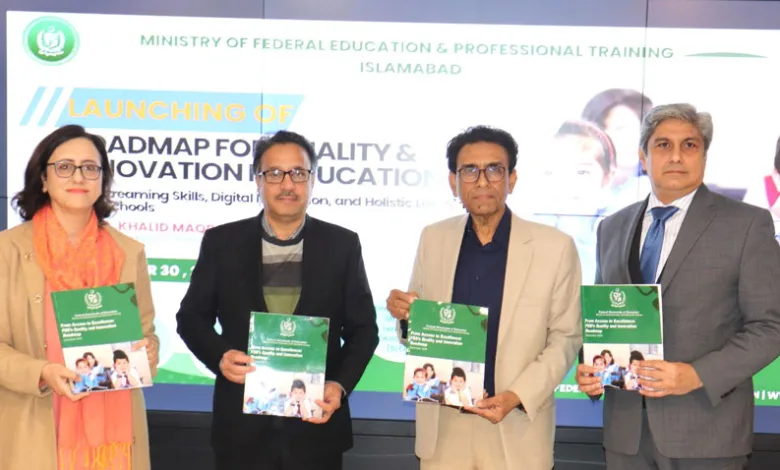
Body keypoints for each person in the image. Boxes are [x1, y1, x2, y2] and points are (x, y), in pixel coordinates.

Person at [575, 103, 780, 469]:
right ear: (643, 156)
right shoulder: (612, 227)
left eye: (689, 145)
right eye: (663, 145)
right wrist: (589, 367)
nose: (676, 156)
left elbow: (770, 327)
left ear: (704, 155)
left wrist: (696, 375)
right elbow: (603, 319)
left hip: (707, 432)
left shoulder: (748, 224)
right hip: (626, 435)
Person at [175, 129, 379, 470]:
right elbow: (191, 318)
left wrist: (339, 385)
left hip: (316, 426)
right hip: (241, 431)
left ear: (312, 180)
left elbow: (364, 330)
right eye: (274, 173)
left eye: (298, 173)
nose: (287, 184)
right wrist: (220, 356)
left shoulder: (342, 245)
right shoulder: (222, 242)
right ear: (258, 180)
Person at [387, 126, 583, 470]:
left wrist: (516, 396)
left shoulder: (554, 247)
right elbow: (416, 334)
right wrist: (406, 317)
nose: (482, 181)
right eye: (469, 170)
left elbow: (566, 338)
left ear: (512, 179)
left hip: (516, 426)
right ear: (454, 182)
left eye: (494, 169)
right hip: (445, 426)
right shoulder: (434, 238)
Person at [0, 124, 159, 470]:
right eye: (64, 167)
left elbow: (146, 333)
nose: (78, 177)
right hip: (33, 423)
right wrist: (41, 372)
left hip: (114, 432)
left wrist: (148, 349)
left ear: (102, 180)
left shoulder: (128, 252)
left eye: (90, 167)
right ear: (43, 179)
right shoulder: (6, 250)